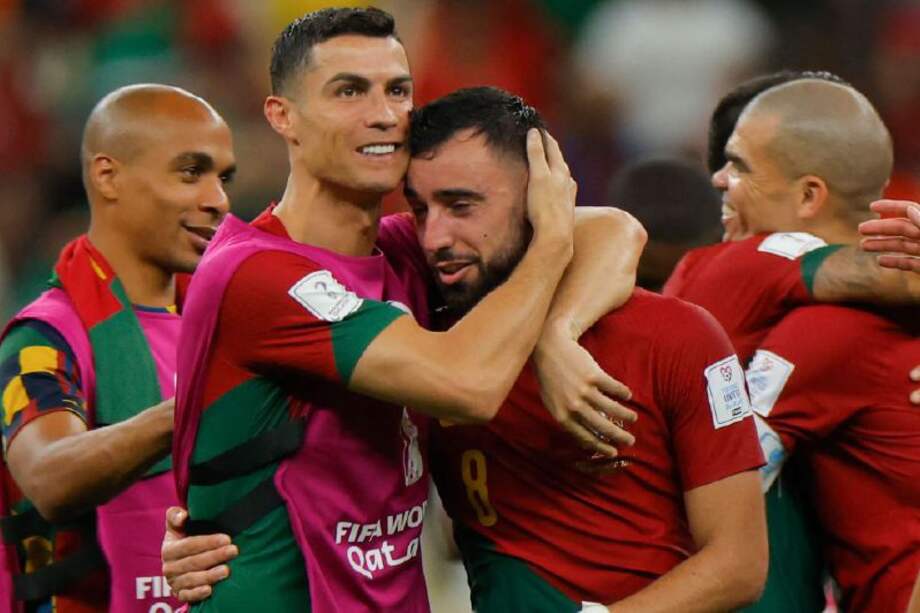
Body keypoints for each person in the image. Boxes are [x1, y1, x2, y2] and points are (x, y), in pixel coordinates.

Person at [164, 86, 768, 612]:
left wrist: (555, 334)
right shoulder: (430, 327)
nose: (434, 237)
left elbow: (739, 564)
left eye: (461, 205)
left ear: (542, 200)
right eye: (420, 208)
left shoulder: (678, 336)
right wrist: (205, 526)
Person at [671, 78, 920, 611]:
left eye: (739, 166)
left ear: (809, 194)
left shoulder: (816, 327)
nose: (719, 179)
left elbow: (723, 477)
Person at [0, 84, 235, 612]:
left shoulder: (223, 327)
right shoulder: (45, 336)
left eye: (223, 177)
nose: (217, 199)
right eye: (190, 172)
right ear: (109, 176)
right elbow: (48, 477)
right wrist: (195, 407)